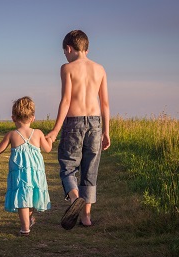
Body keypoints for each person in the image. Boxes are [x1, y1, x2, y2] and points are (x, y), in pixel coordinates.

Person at [46, 30, 111, 230]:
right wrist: (106, 131)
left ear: (68, 48)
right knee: (90, 170)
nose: (65, 56)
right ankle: (86, 218)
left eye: (64, 52)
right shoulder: (100, 69)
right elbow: (105, 103)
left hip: (74, 122)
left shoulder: (67, 68)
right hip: (95, 123)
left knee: (68, 165)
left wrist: (55, 130)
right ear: (87, 49)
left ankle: (75, 198)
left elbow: (66, 101)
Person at [0, 96, 53, 236]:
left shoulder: (12, 134)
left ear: (13, 118)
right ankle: (27, 221)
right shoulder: (38, 133)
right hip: (36, 172)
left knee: (23, 198)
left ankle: (25, 228)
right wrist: (50, 140)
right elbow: (47, 148)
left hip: (19, 172)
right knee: (33, 194)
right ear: (33, 118)